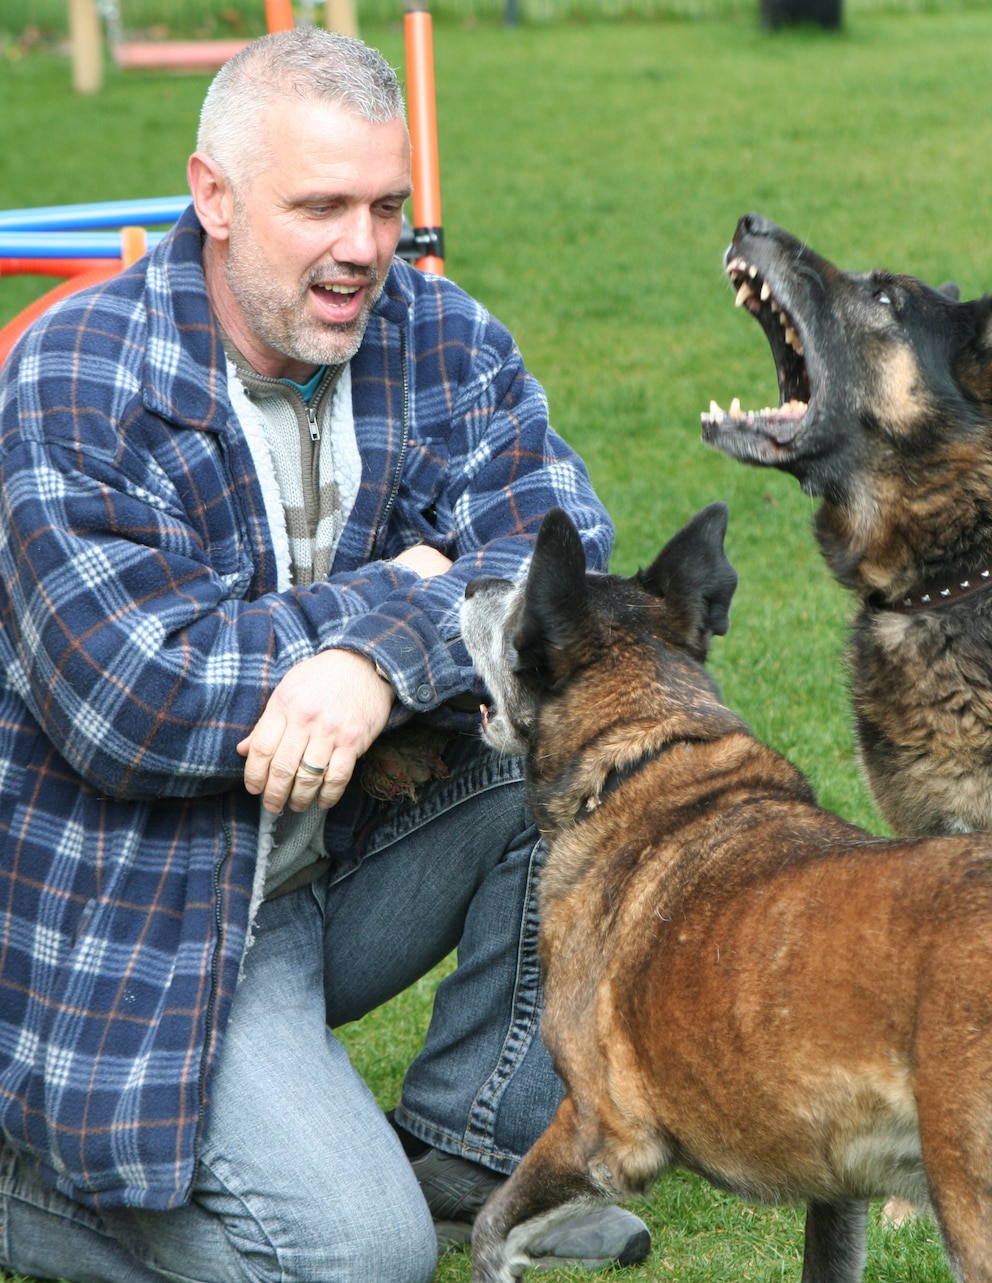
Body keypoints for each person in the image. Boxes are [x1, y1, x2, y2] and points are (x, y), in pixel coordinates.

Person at [0, 26, 652, 1283]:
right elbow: (135, 701)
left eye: (386, 206)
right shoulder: (75, 375)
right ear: (215, 199)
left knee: (613, 718)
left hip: (329, 854)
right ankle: (31, 1173)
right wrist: (392, 593)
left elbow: (558, 562)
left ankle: (470, 1143)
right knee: (355, 1259)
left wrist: (370, 665)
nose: (365, 248)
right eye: (321, 208)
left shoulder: (439, 332)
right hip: (141, 906)